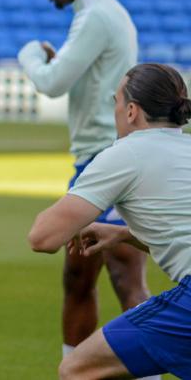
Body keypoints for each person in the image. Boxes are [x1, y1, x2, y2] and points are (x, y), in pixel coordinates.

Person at [18, 0, 152, 375]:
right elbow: (89, 78)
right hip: (107, 157)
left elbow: (52, 82)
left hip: (104, 161)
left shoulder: (95, 16)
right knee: (90, 278)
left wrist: (30, 55)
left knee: (116, 278)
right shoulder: (106, 13)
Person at [28, 63, 191, 380]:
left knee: (77, 369)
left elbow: (42, 238)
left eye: (116, 101)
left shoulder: (125, 154)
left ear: (131, 111)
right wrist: (124, 235)